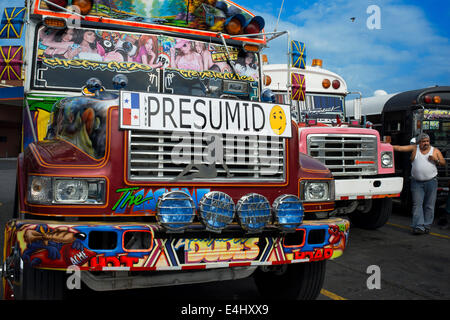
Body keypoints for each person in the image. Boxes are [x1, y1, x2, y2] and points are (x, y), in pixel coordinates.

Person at [393, 133, 446, 234]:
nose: (426, 143)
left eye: (427, 141)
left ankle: (426, 225)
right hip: (417, 183)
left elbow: (443, 163)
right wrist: (386, 146)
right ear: (419, 142)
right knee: (417, 205)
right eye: (423, 141)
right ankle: (419, 226)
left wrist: (436, 160)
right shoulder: (414, 148)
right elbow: (400, 148)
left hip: (431, 182)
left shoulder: (435, 151)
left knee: (429, 205)